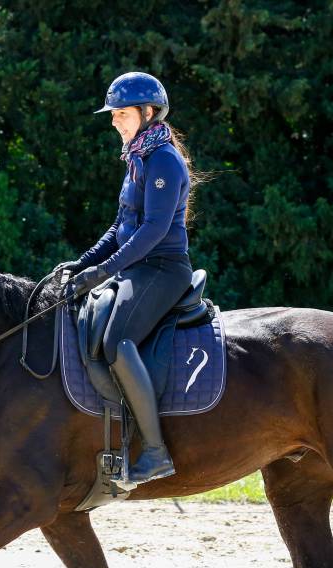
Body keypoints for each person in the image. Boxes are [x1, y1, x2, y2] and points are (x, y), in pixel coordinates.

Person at [66, 71, 195, 485]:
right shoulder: (137, 158)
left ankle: (155, 452)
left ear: (148, 112)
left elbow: (153, 231)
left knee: (117, 340)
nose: (114, 121)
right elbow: (119, 226)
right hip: (137, 267)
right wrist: (82, 264)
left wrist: (104, 271)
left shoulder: (163, 160)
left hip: (163, 269)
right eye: (113, 114)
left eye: (121, 114)